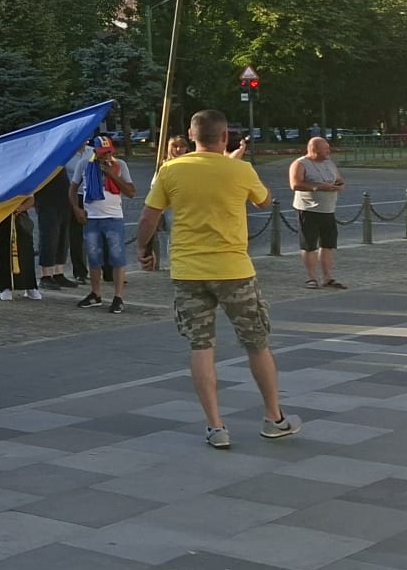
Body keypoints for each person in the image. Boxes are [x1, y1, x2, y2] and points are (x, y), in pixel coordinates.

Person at [136, 110, 299, 449]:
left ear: (191, 135)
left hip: (188, 271)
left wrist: (143, 249)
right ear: (225, 136)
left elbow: (149, 216)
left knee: (201, 346)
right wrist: (233, 168)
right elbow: (264, 201)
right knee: (256, 343)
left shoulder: (170, 169)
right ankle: (273, 418)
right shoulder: (240, 169)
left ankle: (215, 426)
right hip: (234, 270)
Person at [70, 136, 134, 313]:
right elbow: (73, 188)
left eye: (108, 152)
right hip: (92, 219)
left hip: (114, 218)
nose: (106, 156)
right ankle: (96, 293)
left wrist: (111, 174)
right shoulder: (84, 164)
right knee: (94, 258)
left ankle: (118, 297)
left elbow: (131, 192)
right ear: (95, 152)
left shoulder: (120, 165)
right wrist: (76, 208)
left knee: (117, 257)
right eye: (102, 153)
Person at [291, 137, 347, 290]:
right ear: (314, 150)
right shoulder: (300, 164)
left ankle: (328, 278)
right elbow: (295, 184)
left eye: (328, 148)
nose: (329, 151)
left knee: (328, 244)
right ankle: (311, 278)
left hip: (328, 209)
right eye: (325, 149)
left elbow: (339, 179)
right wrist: (317, 187)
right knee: (309, 245)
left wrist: (339, 185)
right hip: (308, 210)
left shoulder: (329, 163)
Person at [34, 167, 75, 289]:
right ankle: (46, 275)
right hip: (46, 201)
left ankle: (59, 273)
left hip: (64, 200)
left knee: (63, 238)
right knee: (49, 238)